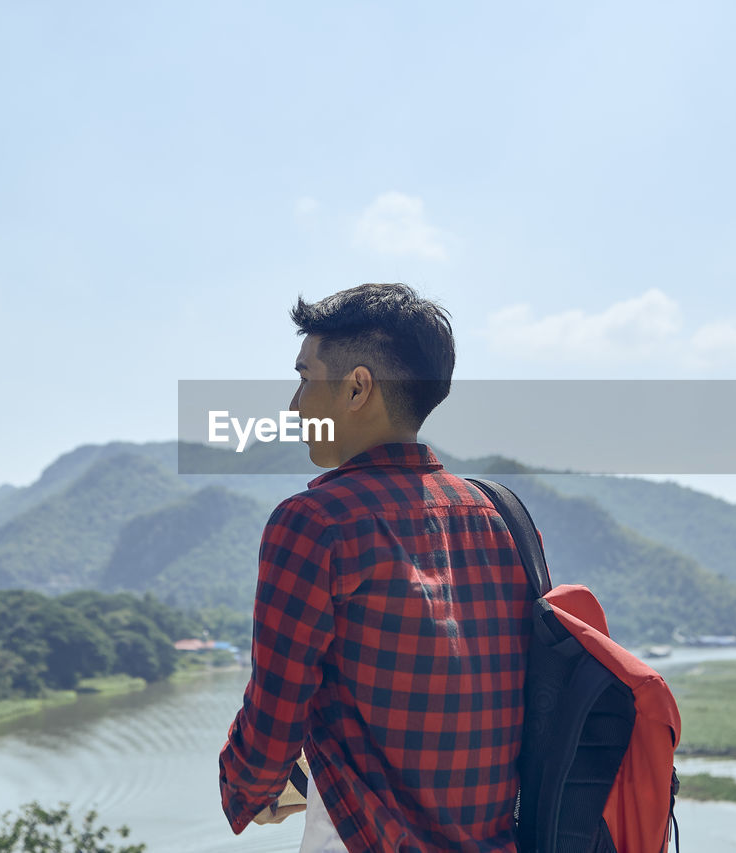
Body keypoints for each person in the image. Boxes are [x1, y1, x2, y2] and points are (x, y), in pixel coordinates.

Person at [219, 283, 537, 852]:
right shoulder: (502, 516)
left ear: (356, 387)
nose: (294, 405)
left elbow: (274, 716)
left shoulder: (314, 522)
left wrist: (251, 788)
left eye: (305, 377)